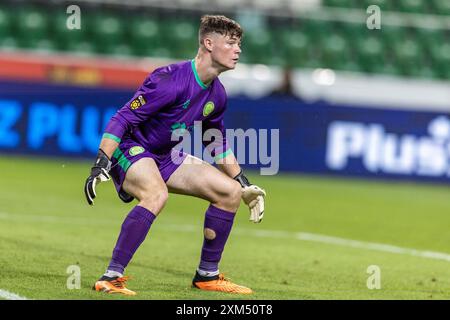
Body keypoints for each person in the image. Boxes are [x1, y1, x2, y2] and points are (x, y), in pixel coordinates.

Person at [84, 15, 266, 296]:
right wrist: (101, 163)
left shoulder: (217, 94)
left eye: (238, 44)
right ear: (208, 43)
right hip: (131, 148)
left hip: (165, 155)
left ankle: (207, 275)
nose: (238, 50)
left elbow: (214, 140)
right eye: (231, 43)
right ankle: (111, 277)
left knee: (229, 193)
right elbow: (122, 118)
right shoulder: (169, 80)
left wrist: (243, 183)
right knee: (156, 194)